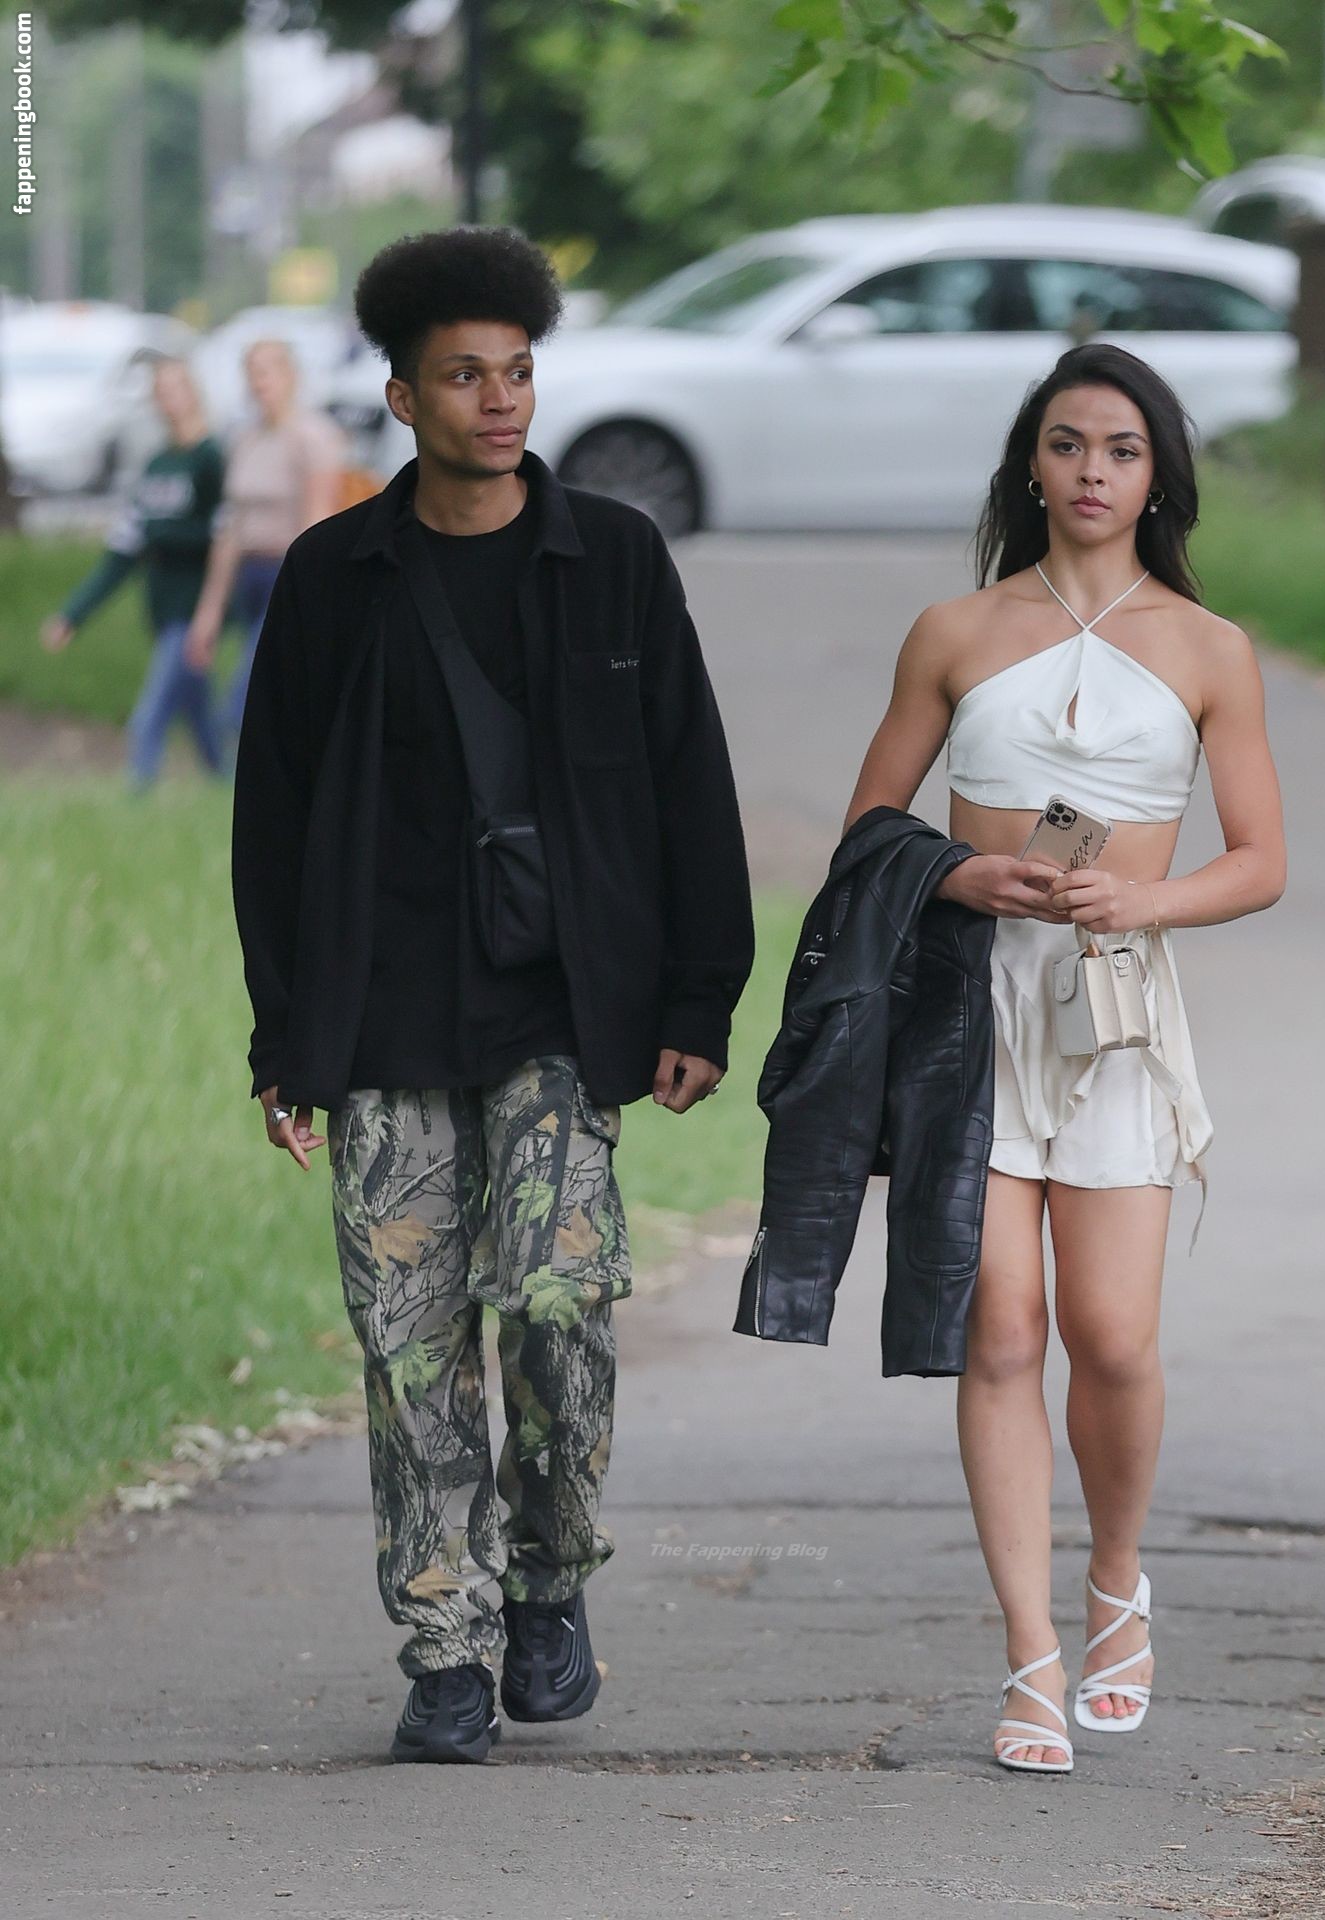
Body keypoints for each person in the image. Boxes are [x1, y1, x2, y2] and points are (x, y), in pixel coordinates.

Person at [230, 225, 753, 1764]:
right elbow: (272, 818)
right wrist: (284, 1037)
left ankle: (548, 1573)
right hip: (383, 1020)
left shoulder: (617, 561)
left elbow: (690, 782)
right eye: (464, 376)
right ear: (402, 397)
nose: (500, 400)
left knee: (558, 1307)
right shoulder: (334, 578)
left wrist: (699, 1000)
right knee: (409, 1351)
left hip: (559, 1014)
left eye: (518, 372)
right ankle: (444, 1649)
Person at [839, 343, 1286, 1773]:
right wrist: (958, 876)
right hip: (968, 1010)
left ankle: (1117, 1585)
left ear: (1158, 479)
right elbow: (871, 826)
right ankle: (1030, 1657)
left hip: (1114, 1012)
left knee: (1113, 1338)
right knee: (1001, 1332)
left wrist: (1146, 901)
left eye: (1122, 450)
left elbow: (1261, 860)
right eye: (1067, 444)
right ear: (1029, 464)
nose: (1092, 472)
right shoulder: (955, 630)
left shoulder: (1209, 650)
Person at [40, 357, 226, 787]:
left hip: (195, 608)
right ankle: (228, 786)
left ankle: (137, 790)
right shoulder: (156, 465)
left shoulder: (212, 458)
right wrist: (72, 615)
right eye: (161, 391)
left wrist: (167, 536)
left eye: (176, 388)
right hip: (162, 607)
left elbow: (224, 536)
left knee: (151, 713)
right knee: (198, 711)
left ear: (194, 392)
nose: (169, 399)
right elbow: (123, 552)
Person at [184, 337, 347, 743]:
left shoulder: (314, 436)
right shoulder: (245, 440)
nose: (259, 382)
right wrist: (209, 611)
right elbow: (230, 528)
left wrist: (307, 591)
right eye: (252, 373)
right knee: (276, 695)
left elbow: (318, 521)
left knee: (248, 697)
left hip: (286, 574)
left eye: (267, 371)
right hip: (249, 575)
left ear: (290, 376)